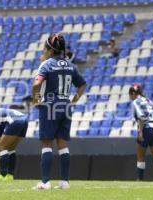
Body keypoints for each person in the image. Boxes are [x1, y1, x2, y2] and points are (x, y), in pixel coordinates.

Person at [32, 33, 87, 189]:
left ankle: (45, 182)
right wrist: (73, 101)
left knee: (46, 144)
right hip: (66, 106)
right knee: (62, 144)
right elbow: (82, 85)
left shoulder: (47, 64)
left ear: (50, 49)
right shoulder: (70, 65)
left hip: (50, 106)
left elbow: (36, 85)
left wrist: (36, 100)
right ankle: (64, 182)